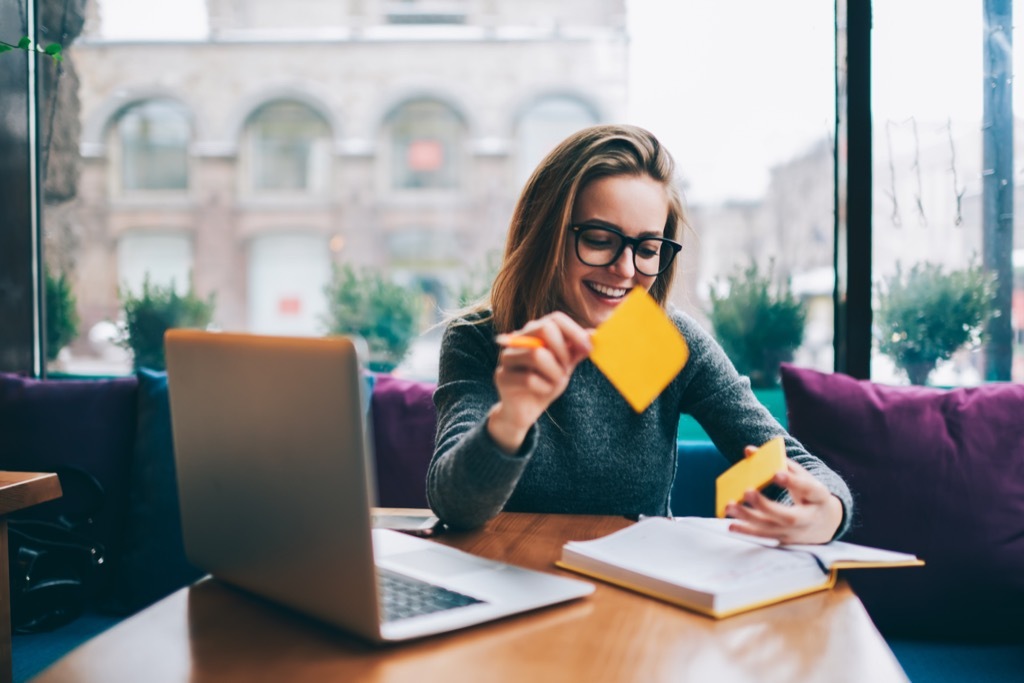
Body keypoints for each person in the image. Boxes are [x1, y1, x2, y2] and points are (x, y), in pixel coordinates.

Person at [426, 124, 851, 544]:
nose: (626, 270)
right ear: (544, 235)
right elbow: (455, 505)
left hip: (636, 593)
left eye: (648, 249)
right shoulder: (482, 339)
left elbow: (789, 461)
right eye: (598, 239)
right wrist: (512, 417)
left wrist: (826, 511)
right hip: (511, 583)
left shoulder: (666, 342)